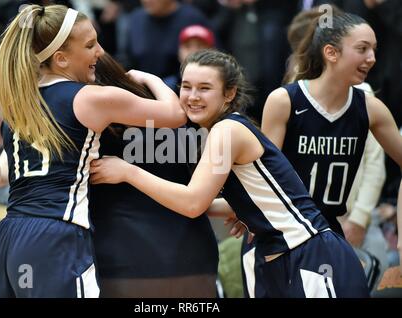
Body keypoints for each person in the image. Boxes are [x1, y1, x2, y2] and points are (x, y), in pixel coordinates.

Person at [89, 49, 370, 297]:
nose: (192, 97)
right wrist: (242, 209)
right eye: (186, 87)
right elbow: (215, 202)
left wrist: (127, 172)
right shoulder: (216, 132)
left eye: (204, 88)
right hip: (279, 258)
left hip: (311, 254)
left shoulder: (228, 131)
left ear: (229, 93)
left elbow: (192, 203)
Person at [0, 4, 185, 298]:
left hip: (8, 238)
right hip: (54, 235)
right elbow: (174, 115)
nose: (100, 52)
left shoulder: (20, 102)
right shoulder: (90, 99)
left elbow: (26, 154)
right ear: (61, 59)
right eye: (90, 45)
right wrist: (149, 77)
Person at [258, 11, 402, 294]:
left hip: (332, 234)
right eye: (362, 49)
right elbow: (263, 179)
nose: (372, 58)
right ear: (331, 53)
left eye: (374, 49)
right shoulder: (284, 101)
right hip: (283, 237)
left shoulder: (370, 107)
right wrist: (239, 211)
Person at [90, 53, 219, 298]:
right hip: (192, 254)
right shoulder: (187, 116)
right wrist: (153, 80)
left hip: (125, 260)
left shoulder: (86, 120)